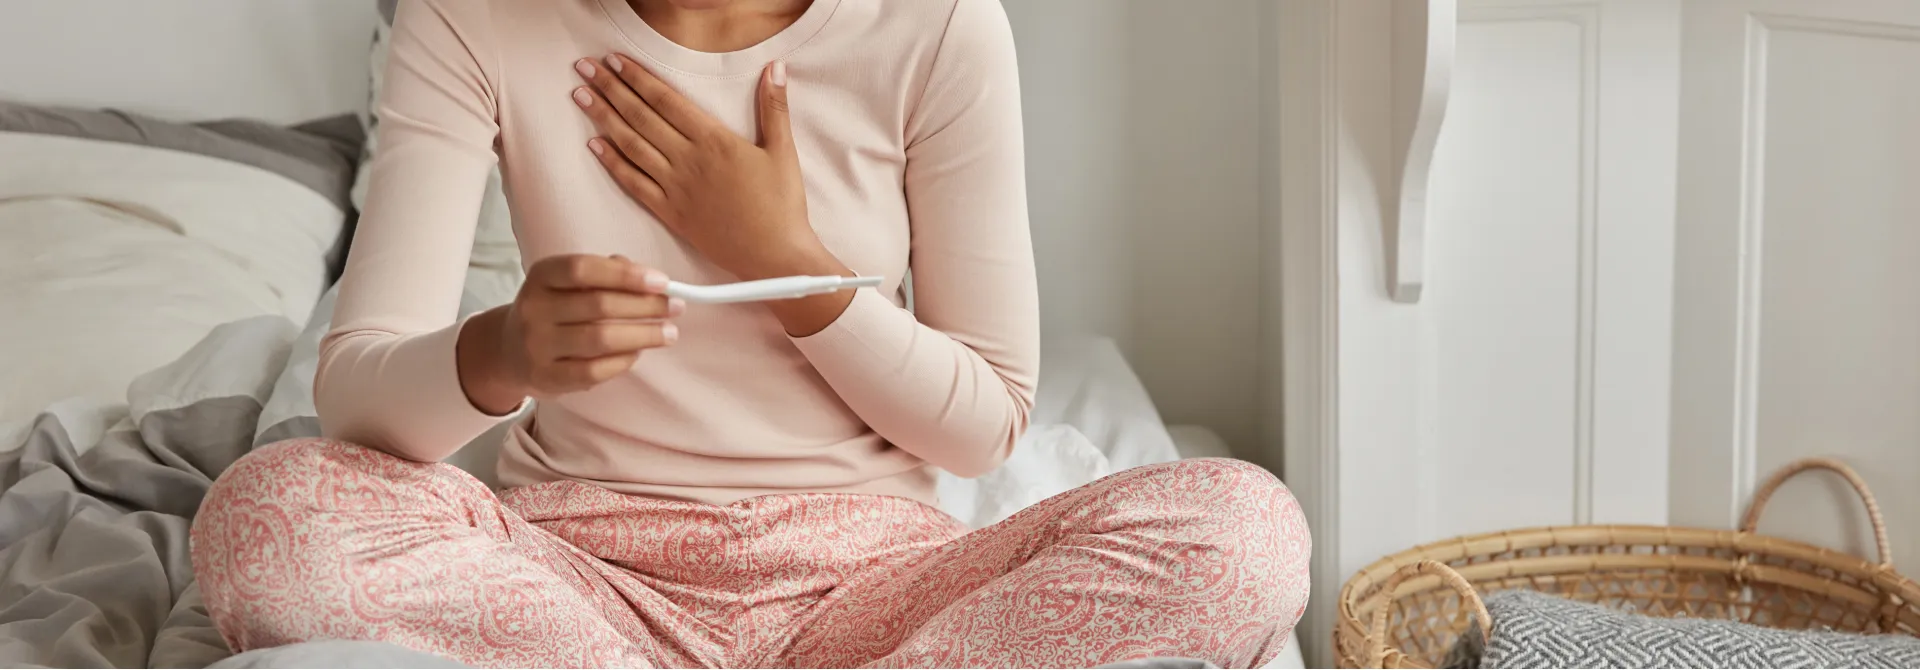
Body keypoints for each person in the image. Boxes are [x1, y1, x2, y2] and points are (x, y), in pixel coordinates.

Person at [189, 0, 1311, 667]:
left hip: (873, 594)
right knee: (267, 513)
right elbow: (356, 400)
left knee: (1246, 528)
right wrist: (504, 353)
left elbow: (985, 427)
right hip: (576, 584)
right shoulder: (472, 16)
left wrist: (793, 267)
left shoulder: (937, 27)